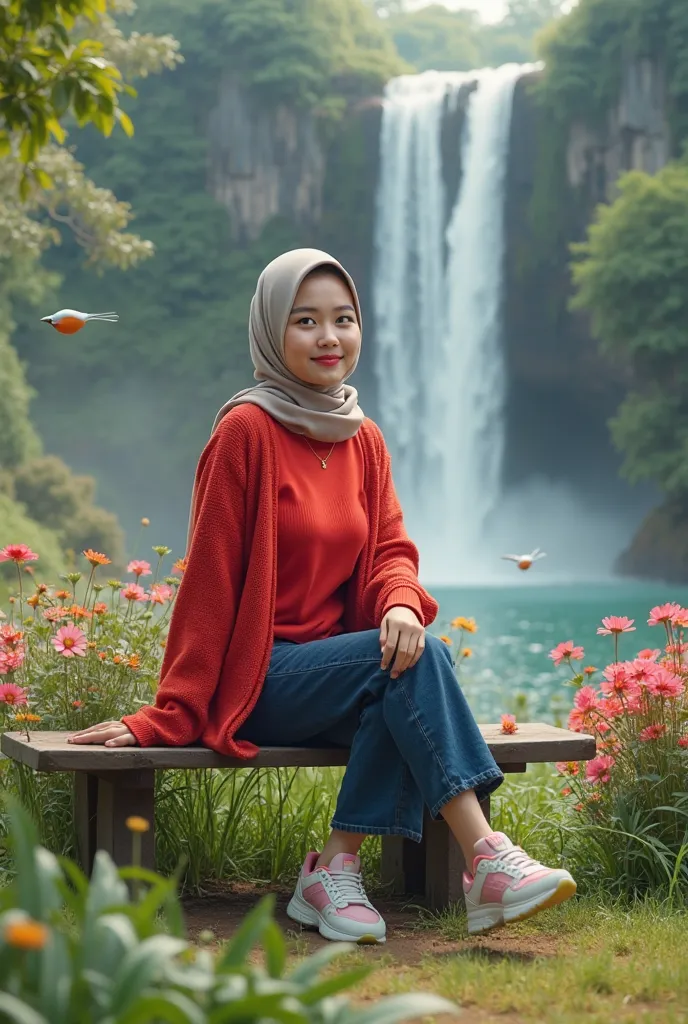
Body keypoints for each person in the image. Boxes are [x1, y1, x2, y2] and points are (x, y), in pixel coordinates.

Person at [69, 248, 576, 943]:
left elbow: (391, 549)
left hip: (340, 674)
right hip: (260, 678)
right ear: (272, 331)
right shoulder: (243, 433)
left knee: (410, 663)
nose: (329, 338)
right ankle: (486, 857)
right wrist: (171, 712)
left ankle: (334, 868)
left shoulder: (363, 438)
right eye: (306, 321)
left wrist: (399, 601)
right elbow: (210, 581)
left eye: (343, 319)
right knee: (408, 663)